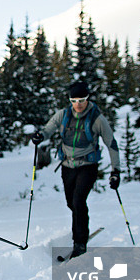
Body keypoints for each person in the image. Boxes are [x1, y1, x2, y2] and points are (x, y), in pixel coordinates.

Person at [31, 80, 120, 258]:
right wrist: (40, 135)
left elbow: (111, 144)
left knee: (79, 201)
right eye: (74, 101)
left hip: (88, 167)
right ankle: (80, 229)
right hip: (67, 166)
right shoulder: (63, 115)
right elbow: (48, 129)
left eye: (81, 100)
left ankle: (80, 242)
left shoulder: (97, 119)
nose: (77, 104)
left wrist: (115, 171)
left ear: (87, 99)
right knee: (71, 203)